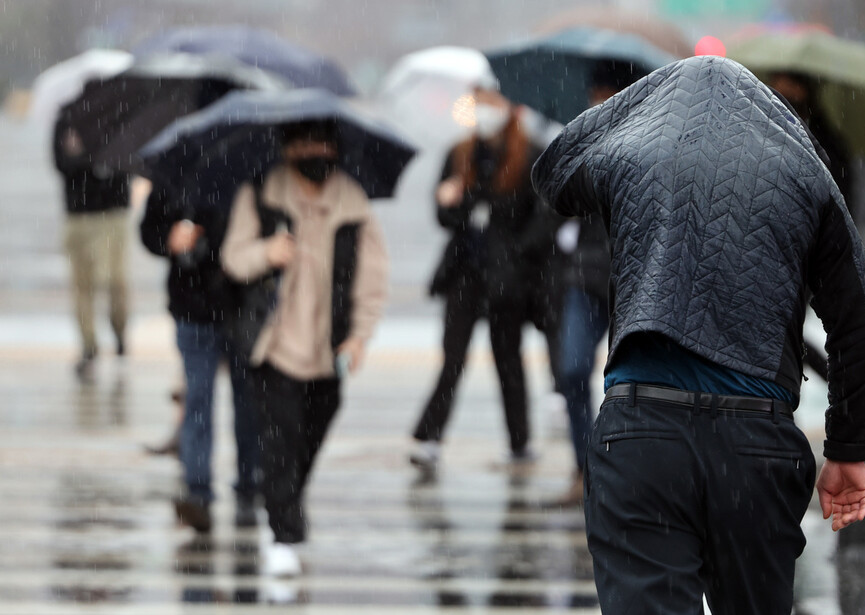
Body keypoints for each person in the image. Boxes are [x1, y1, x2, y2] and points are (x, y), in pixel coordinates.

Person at [532, 56, 865, 614]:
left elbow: (556, 173)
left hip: (641, 434)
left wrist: (637, 107)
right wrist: (848, 447)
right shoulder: (801, 166)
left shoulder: (636, 153)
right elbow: (863, 318)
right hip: (755, 441)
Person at [221, 121, 388, 577]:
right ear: (288, 147)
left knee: (312, 431)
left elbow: (372, 278)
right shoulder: (259, 195)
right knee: (281, 437)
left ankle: (286, 502)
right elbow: (234, 257)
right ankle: (282, 533)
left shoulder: (354, 204)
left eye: (324, 143)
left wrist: (358, 335)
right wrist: (266, 252)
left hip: (328, 348)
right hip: (273, 344)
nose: (316, 151)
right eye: (306, 142)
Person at [408, 82, 561, 471]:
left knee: (507, 358)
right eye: (478, 102)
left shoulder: (529, 156)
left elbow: (544, 221)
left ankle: (519, 441)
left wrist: (517, 256)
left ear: (509, 107)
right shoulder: (460, 153)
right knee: (452, 358)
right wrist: (450, 200)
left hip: (507, 279)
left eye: (491, 102)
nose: (484, 110)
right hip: (464, 271)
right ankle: (429, 437)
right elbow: (445, 219)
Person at [140, 184, 262, 532]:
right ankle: (198, 491)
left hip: (244, 307)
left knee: (248, 400)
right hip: (192, 306)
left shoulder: (254, 172)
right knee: (198, 398)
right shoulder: (178, 169)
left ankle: (249, 483)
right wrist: (169, 237)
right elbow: (149, 230)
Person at [552, 59, 646, 506]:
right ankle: (585, 468)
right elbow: (558, 198)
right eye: (596, 94)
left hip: (633, 281)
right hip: (585, 277)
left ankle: (620, 474)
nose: (599, 102)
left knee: (627, 384)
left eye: (607, 94)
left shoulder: (650, 142)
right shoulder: (581, 140)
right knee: (571, 369)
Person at [53, 111, 130, 378]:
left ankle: (120, 332)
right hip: (77, 215)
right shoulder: (66, 117)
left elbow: (125, 161)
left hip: (111, 214)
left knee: (114, 281)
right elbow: (62, 163)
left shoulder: (120, 114)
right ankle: (89, 346)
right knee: (81, 286)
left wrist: (84, 154)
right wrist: (94, 159)